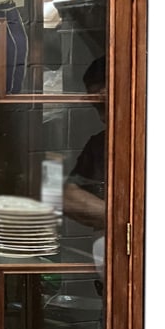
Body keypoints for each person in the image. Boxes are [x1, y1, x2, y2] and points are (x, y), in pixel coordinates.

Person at [63, 56, 106, 231]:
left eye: (105, 104)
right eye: (97, 108)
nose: (103, 118)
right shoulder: (99, 144)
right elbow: (69, 196)